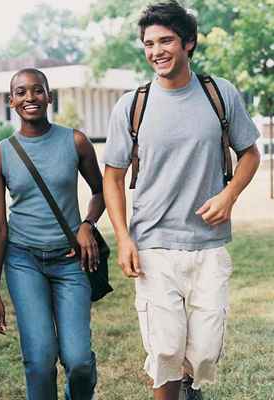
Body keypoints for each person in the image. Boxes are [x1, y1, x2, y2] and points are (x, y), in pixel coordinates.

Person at [102, 2, 261, 400]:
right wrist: (123, 238)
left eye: (166, 40)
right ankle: (175, 384)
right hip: (153, 244)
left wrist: (229, 194)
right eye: (149, 43)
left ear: (188, 43)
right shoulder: (131, 106)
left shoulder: (218, 94)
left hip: (208, 244)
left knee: (205, 353)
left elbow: (250, 154)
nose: (156, 50)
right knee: (166, 351)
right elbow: (113, 176)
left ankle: (189, 384)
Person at [0, 68, 105, 400]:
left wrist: (86, 225)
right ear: (11, 102)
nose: (30, 98)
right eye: (21, 92)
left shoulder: (75, 141)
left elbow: (100, 191)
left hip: (70, 262)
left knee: (78, 361)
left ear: (49, 96)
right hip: (24, 262)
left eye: (37, 91)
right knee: (39, 361)